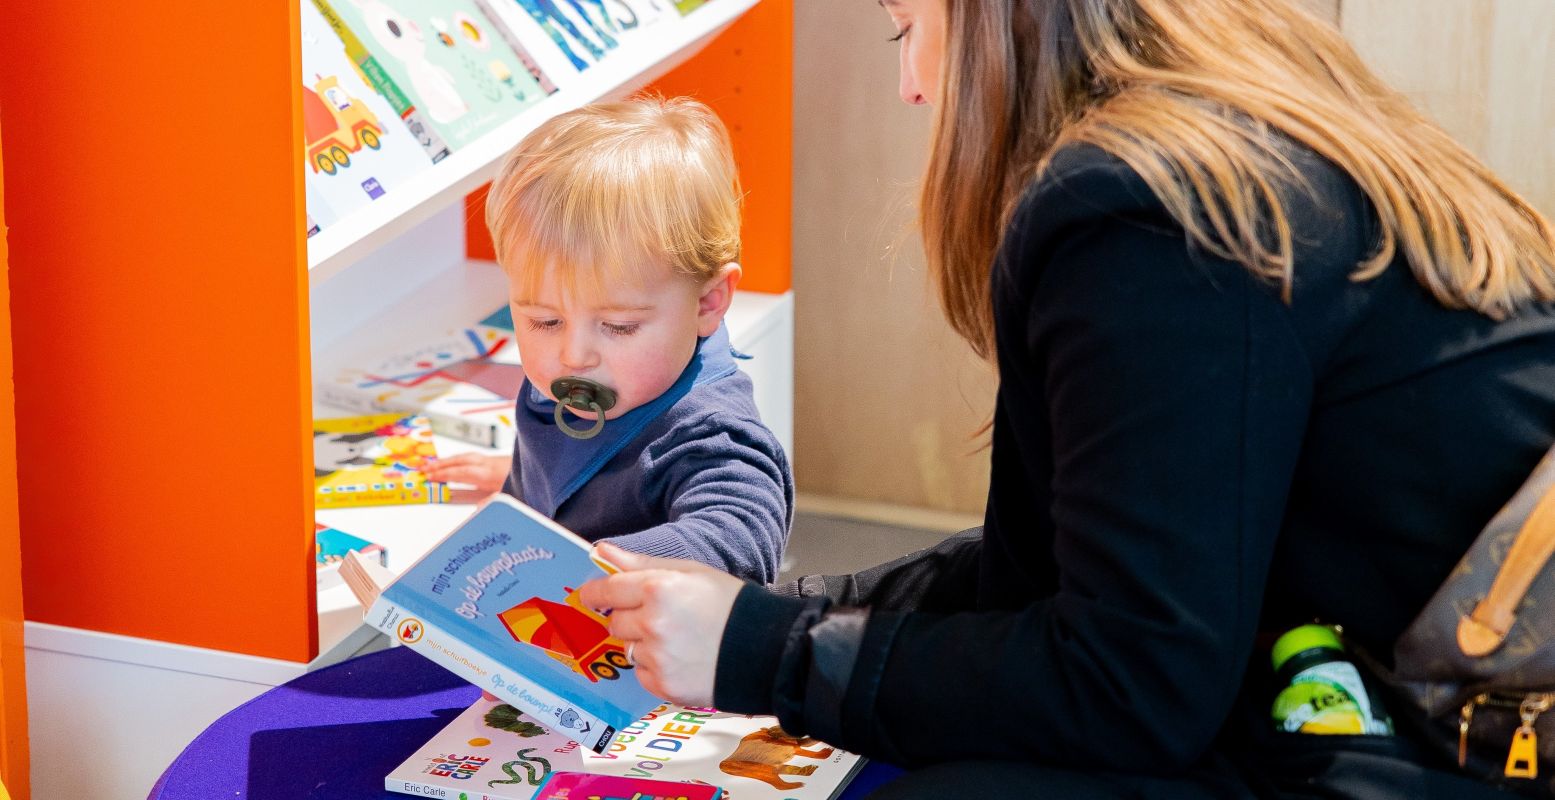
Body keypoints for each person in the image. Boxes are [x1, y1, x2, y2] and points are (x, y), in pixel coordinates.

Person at [575, 0, 1555, 796]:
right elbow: (1080, 560)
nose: (912, 86)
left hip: (1476, 722)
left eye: (905, 27)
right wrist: (780, 611)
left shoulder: (1144, 215)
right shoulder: (1225, 122)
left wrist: (766, 653)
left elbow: (1130, 685)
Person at [421, 97, 792, 585]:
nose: (573, 355)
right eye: (544, 322)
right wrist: (540, 481)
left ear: (707, 303)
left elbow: (740, 533)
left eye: (618, 327)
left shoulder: (709, 435)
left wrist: (593, 562)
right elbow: (581, 459)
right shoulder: (592, 375)